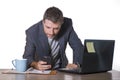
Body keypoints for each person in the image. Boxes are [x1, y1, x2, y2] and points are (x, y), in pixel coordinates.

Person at [23, 6, 84, 71]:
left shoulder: (67, 25)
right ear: (43, 22)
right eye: (48, 27)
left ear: (62, 23)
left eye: (56, 28)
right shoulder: (32, 32)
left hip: (60, 70)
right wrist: (35, 64)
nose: (51, 32)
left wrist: (76, 64)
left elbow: (78, 46)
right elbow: (27, 57)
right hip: (41, 72)